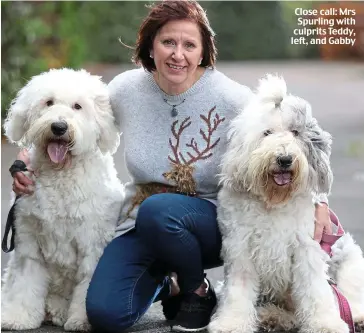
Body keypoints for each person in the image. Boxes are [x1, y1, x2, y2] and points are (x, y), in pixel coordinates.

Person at [10, 1, 333, 332]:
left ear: (203, 51)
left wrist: (319, 201)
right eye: (168, 42)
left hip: (209, 225)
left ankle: (197, 289)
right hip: (142, 222)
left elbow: (290, 137)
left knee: (159, 210)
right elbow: (74, 114)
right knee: (106, 314)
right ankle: (169, 283)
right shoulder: (124, 89)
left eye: (189, 45)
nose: (178, 54)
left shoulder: (233, 99)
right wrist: (26, 156)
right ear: (151, 46)